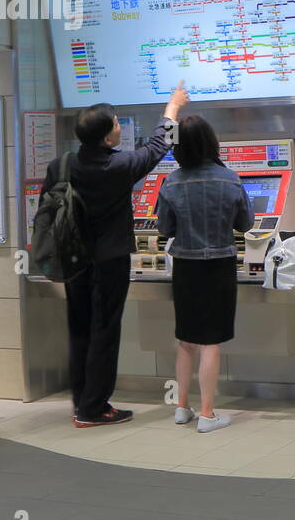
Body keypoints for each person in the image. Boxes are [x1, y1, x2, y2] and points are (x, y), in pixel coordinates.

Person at [42, 81, 188, 428]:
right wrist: (173, 108)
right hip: (108, 259)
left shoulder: (61, 165)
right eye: (118, 123)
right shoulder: (118, 167)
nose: (121, 127)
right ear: (108, 137)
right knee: (104, 329)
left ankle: (82, 400)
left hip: (72, 259)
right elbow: (159, 146)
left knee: (79, 328)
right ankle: (94, 409)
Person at [155, 115, 253, 434]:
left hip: (185, 265)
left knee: (186, 339)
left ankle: (182, 407)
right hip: (219, 266)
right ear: (212, 143)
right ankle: (208, 413)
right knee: (211, 341)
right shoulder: (230, 179)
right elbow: (246, 224)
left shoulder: (171, 182)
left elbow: (165, 228)